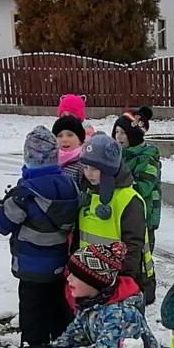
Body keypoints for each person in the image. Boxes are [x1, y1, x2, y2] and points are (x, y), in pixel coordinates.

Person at [11, 241, 154, 348]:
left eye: (75, 276)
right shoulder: (93, 302)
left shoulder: (119, 313)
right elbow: (74, 333)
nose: (68, 279)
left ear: (94, 281)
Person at [0, 126, 79, 348]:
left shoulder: (25, 194)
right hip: (61, 265)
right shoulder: (69, 186)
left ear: (29, 159)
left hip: (31, 269)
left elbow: (2, 223)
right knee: (59, 310)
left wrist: (2, 204)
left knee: (32, 315)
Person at [77, 133, 154, 304]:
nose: (89, 174)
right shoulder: (88, 194)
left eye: (95, 169)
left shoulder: (128, 200)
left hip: (120, 283)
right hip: (92, 279)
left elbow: (133, 246)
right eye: (86, 167)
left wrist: (120, 281)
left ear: (109, 168)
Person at [112, 114, 161, 251]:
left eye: (123, 133)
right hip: (124, 213)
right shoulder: (119, 155)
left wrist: (116, 180)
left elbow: (143, 187)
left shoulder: (147, 158)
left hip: (144, 217)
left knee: (140, 254)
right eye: (116, 132)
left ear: (133, 134)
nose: (118, 137)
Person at [52, 114, 87, 182]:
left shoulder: (84, 163)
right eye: (60, 136)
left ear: (80, 140)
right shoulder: (50, 161)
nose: (64, 139)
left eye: (70, 135)